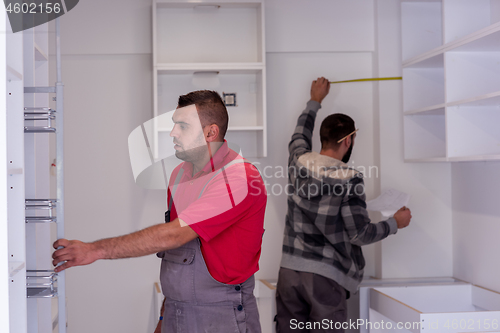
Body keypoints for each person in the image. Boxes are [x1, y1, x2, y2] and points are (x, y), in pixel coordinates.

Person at [52, 90, 267, 333]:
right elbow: (179, 255)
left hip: (222, 316)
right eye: (174, 125)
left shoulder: (240, 178)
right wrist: (165, 318)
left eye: (183, 126)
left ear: (210, 132)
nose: (173, 133)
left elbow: (174, 235)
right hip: (176, 311)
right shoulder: (179, 175)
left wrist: (94, 249)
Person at [275, 77, 412, 333]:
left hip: (289, 274)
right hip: (325, 280)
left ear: (323, 138)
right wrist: (395, 223)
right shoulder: (350, 178)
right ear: (348, 140)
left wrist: (315, 100)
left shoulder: (298, 161)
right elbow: (360, 234)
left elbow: (298, 134)